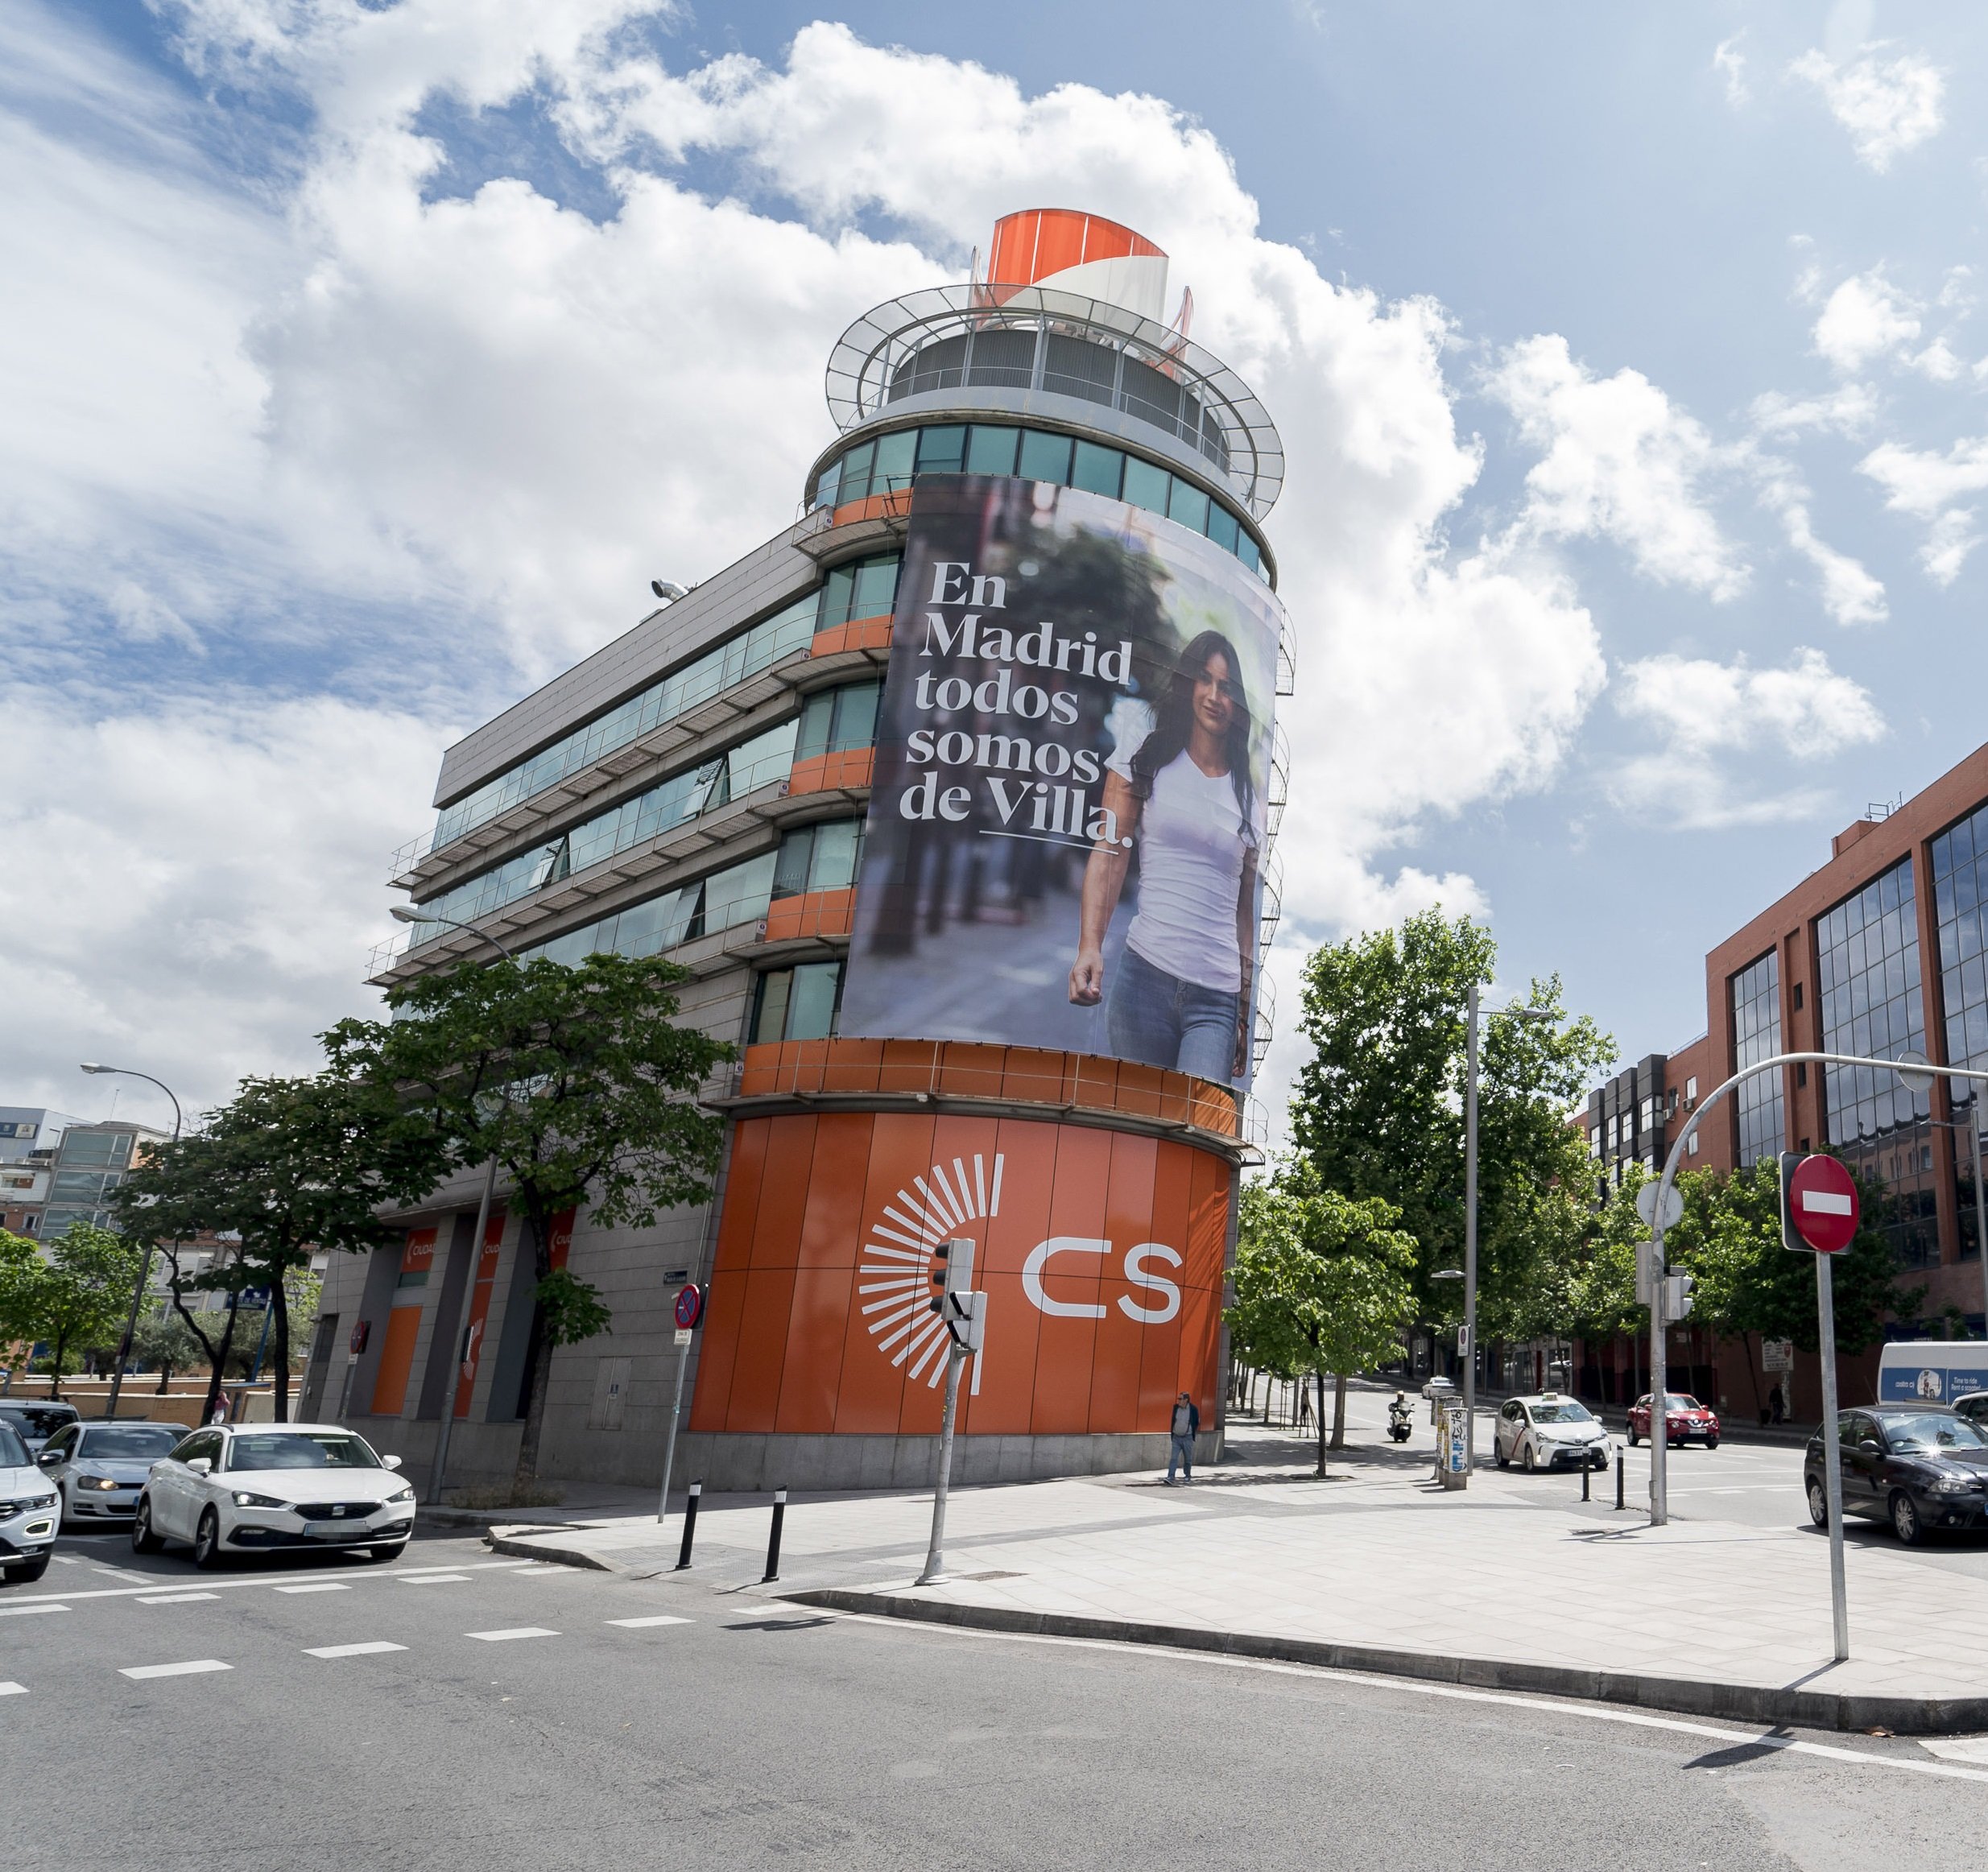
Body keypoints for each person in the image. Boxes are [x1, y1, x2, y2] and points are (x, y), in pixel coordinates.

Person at [1069, 630, 1263, 1083]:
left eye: (1227, 687)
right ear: (1188, 685)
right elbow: (1109, 852)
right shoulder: (1148, 756)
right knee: (1139, 1141)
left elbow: (1245, 909)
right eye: (1204, 680)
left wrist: (1242, 1010)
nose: (1215, 696)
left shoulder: (1249, 797)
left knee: (1190, 1137)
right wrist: (1089, 947)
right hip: (1144, 981)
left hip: (1216, 997)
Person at [1167, 1391, 1201, 1485]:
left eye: (1180, 1399)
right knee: (1173, 1458)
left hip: (1187, 1437)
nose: (1179, 1401)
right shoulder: (1176, 1408)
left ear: (1186, 1400)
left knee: (1188, 1458)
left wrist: (1190, 1430)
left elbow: (1197, 1422)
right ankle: (1171, 1476)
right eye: (1178, 1399)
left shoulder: (1193, 1409)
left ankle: (1187, 1475)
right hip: (1176, 1437)